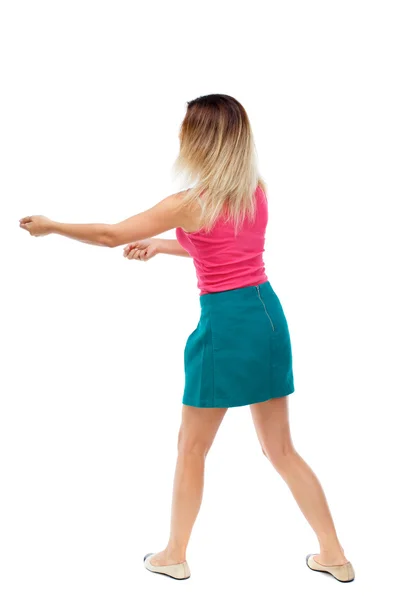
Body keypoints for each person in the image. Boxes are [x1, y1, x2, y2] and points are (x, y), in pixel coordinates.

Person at [19, 93, 354, 584]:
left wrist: (53, 227)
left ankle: (174, 554)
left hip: (224, 326)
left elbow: (111, 234)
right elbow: (223, 246)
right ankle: (335, 555)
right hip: (266, 316)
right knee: (281, 449)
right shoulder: (252, 190)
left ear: (200, 140)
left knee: (191, 447)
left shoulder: (189, 203)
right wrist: (161, 245)